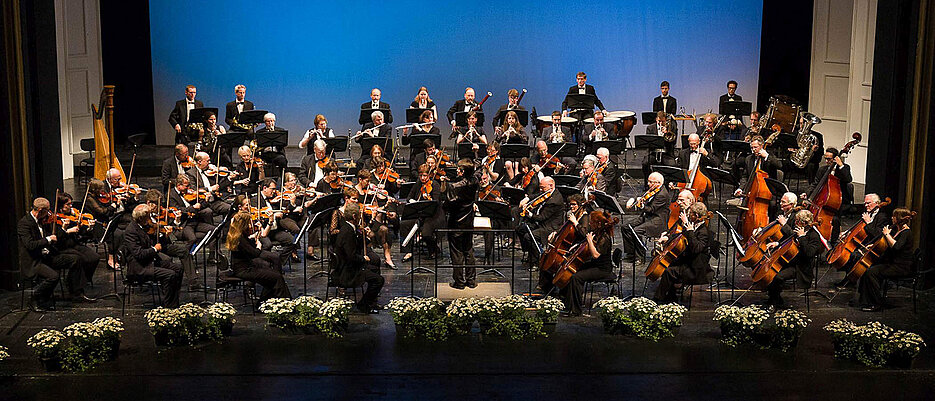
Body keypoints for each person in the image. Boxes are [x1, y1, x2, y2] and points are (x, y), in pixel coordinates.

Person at [17, 197, 82, 311]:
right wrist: (48, 239)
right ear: (40, 210)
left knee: (75, 259)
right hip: (34, 261)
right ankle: (35, 298)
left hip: (46, 256)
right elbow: (30, 245)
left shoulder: (43, 220)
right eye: (47, 210)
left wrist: (62, 229)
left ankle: (74, 291)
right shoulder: (24, 224)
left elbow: (55, 235)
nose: (49, 213)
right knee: (53, 276)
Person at [123, 204, 183, 308]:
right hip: (139, 267)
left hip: (149, 261)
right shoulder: (131, 231)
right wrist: (154, 249)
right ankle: (169, 306)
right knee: (170, 275)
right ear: (142, 218)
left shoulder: (144, 226)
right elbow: (138, 254)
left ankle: (174, 300)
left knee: (178, 268)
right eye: (148, 216)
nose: (150, 219)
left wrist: (165, 236)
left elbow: (155, 241)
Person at [855, 208, 915, 312]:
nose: (892, 218)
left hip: (900, 267)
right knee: (867, 269)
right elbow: (888, 246)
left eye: (894, 217)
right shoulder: (897, 230)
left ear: (898, 219)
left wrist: (887, 234)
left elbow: (896, 246)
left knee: (872, 272)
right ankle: (865, 300)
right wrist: (873, 246)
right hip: (892, 264)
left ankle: (876, 303)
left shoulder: (906, 233)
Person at [652, 202, 713, 303]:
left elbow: (696, 249)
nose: (688, 216)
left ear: (696, 216)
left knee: (669, 271)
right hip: (688, 262)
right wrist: (667, 238)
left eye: (690, 214)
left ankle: (657, 299)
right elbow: (680, 236)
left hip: (696, 268)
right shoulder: (693, 225)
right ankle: (671, 298)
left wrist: (690, 231)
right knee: (667, 265)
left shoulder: (703, 232)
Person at [761, 209, 822, 310]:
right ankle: (776, 298)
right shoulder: (798, 230)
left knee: (778, 277)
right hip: (790, 261)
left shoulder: (814, 236)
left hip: (801, 267)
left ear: (805, 223)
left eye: (798, 221)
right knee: (769, 271)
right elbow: (790, 241)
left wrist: (802, 237)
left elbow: (809, 254)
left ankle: (774, 302)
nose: (796, 223)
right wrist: (777, 244)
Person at [226, 212, 291, 303]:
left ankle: (264, 302)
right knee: (277, 277)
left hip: (245, 267)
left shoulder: (238, 235)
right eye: (249, 223)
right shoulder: (240, 239)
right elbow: (254, 253)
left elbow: (247, 250)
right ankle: (285, 302)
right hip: (244, 270)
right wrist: (258, 245)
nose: (250, 225)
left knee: (272, 278)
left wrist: (253, 238)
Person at [333, 203, 385, 314]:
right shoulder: (348, 232)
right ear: (354, 216)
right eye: (359, 216)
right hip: (348, 271)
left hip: (349, 266)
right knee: (379, 280)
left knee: (375, 267)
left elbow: (356, 246)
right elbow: (351, 256)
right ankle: (363, 305)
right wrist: (363, 258)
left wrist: (364, 237)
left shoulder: (349, 228)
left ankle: (371, 302)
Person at [564, 210, 619, 316]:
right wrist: (577, 245)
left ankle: (576, 310)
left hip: (603, 270)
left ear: (598, 224)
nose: (589, 224)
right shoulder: (598, 232)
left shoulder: (605, 237)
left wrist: (589, 241)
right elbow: (586, 238)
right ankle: (569, 304)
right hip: (596, 265)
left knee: (577, 277)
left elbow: (595, 255)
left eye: (591, 222)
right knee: (574, 269)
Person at [54, 193, 101, 293]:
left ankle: (84, 280)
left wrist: (89, 228)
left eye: (71, 204)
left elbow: (83, 233)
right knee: (82, 259)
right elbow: (57, 237)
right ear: (61, 206)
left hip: (74, 244)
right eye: (68, 204)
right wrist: (66, 230)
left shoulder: (72, 216)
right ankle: (73, 285)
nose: (71, 207)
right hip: (63, 247)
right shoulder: (56, 219)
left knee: (94, 257)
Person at [443, 159, 479, 289]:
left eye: (459, 169)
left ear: (463, 171)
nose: (456, 170)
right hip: (469, 221)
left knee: (457, 252)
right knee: (468, 250)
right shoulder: (474, 181)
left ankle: (459, 282)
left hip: (456, 222)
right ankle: (471, 281)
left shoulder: (454, 187)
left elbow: (447, 206)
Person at [621, 172, 670, 262]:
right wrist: (633, 200)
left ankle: (640, 256)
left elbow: (651, 209)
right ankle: (631, 253)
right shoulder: (653, 189)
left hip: (657, 220)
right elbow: (643, 196)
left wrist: (642, 206)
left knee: (637, 231)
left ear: (658, 183)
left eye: (651, 182)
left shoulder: (662, 194)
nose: (648, 184)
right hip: (648, 217)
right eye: (648, 181)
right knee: (625, 227)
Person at [516, 176, 564, 266]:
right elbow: (537, 195)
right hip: (540, 223)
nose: (541, 190)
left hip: (549, 227)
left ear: (551, 186)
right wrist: (527, 198)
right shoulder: (547, 193)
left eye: (543, 188)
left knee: (529, 237)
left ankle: (536, 260)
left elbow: (541, 217)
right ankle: (530, 252)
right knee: (520, 229)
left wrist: (529, 214)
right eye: (540, 187)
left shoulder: (555, 200)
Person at [400, 164, 443, 262]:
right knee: (404, 224)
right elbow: (409, 197)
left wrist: (429, 200)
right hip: (420, 214)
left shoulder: (435, 185)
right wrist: (412, 201)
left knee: (425, 232)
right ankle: (408, 251)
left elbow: (436, 202)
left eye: (425, 176)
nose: (423, 178)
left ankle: (434, 249)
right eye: (421, 176)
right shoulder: (418, 183)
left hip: (434, 215)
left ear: (429, 175)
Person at [808, 147, 853, 240]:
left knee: (835, 220)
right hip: (823, 199)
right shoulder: (822, 169)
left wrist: (840, 165)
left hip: (837, 200)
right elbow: (815, 184)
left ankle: (833, 241)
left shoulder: (844, 168)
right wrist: (807, 194)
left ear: (835, 158)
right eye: (825, 158)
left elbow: (848, 179)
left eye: (829, 159)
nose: (827, 161)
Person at [641, 111, 678, 184]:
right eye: (659, 121)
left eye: (662, 121)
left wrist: (666, 133)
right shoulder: (650, 128)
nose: (660, 123)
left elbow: (673, 142)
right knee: (645, 163)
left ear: (665, 120)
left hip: (666, 152)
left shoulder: (671, 127)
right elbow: (649, 142)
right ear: (656, 119)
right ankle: (647, 183)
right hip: (653, 152)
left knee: (673, 165)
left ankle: (669, 184)